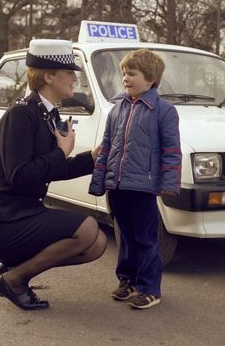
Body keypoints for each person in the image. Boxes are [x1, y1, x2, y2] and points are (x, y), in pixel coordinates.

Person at [0, 39, 107, 311]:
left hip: (23, 214)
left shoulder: (47, 114)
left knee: (97, 244)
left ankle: (16, 268)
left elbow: (49, 168)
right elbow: (20, 175)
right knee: (88, 228)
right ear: (48, 76)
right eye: (69, 73)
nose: (74, 78)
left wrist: (91, 158)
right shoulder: (20, 115)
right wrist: (61, 152)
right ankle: (15, 280)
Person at [89, 49, 181, 309]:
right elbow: (106, 146)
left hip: (143, 187)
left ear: (150, 79)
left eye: (132, 74)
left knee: (145, 239)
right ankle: (126, 280)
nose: (125, 78)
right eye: (124, 74)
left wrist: (169, 183)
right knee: (125, 237)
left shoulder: (163, 110)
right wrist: (100, 180)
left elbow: (172, 150)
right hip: (117, 186)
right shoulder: (117, 109)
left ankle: (149, 288)